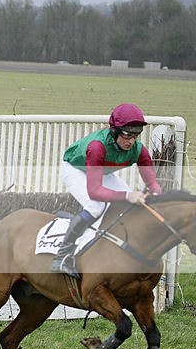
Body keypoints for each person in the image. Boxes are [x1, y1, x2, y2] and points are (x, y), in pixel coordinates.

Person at [50, 103, 163, 277]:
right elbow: (95, 192)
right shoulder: (97, 146)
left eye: (136, 135)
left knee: (130, 206)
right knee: (96, 206)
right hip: (75, 168)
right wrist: (127, 195)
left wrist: (159, 199)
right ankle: (62, 256)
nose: (131, 141)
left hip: (100, 171)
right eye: (127, 134)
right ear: (115, 131)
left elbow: (152, 183)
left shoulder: (139, 150)